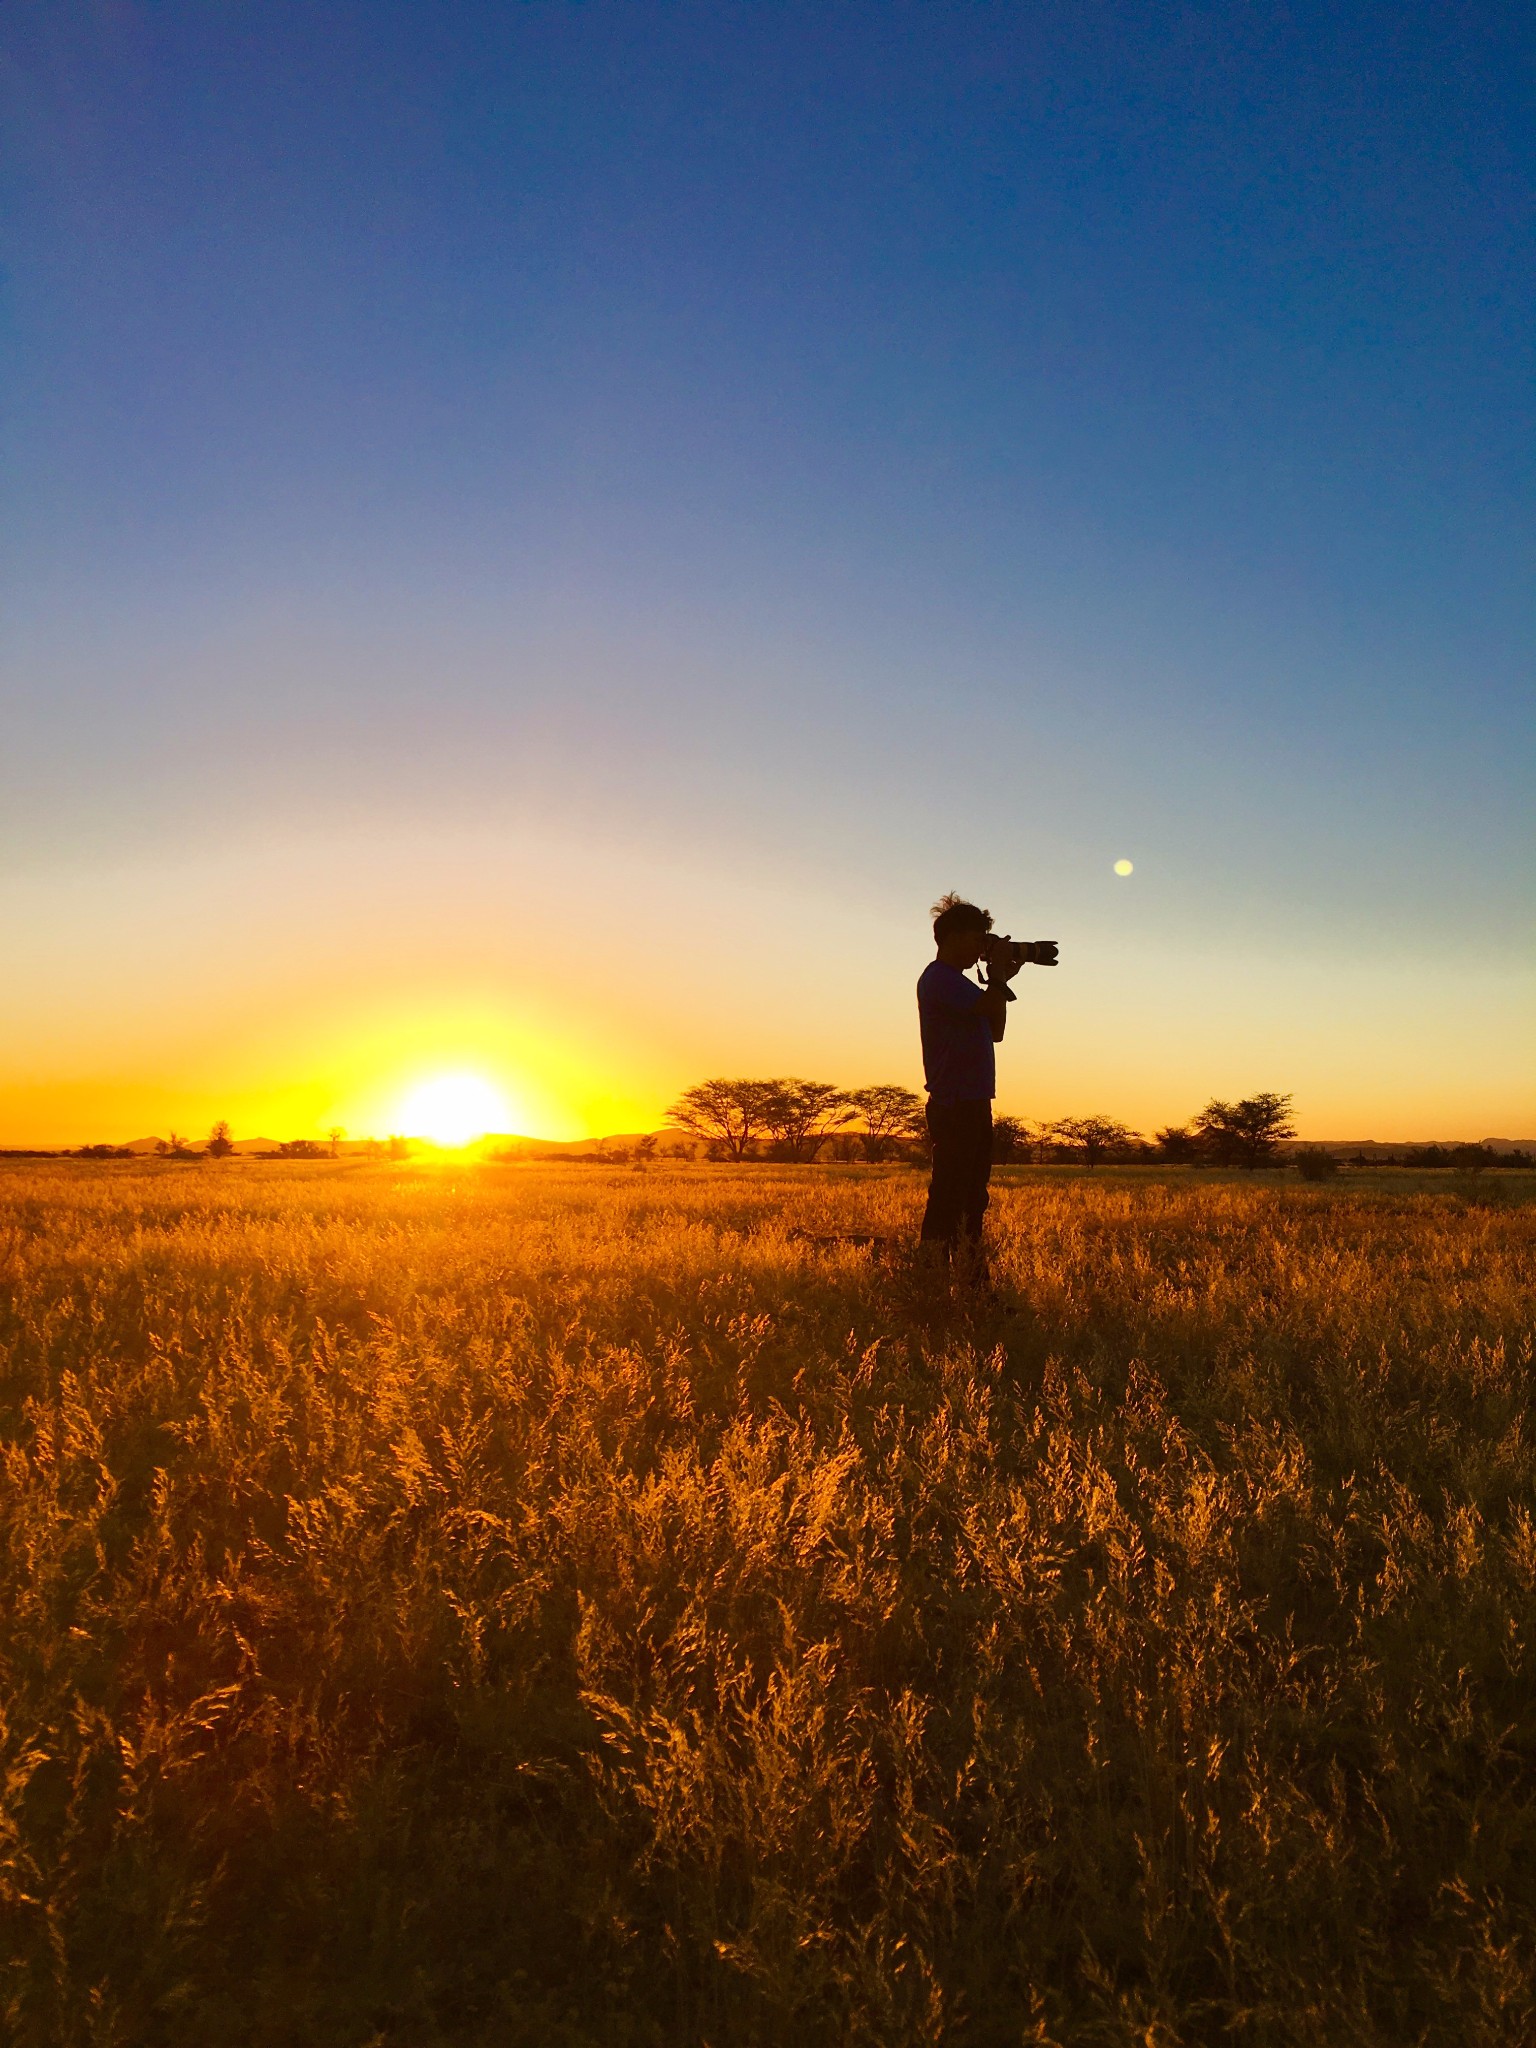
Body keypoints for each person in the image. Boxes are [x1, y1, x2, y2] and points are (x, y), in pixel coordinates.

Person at [916, 893, 1019, 1272]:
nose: (980, 948)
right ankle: (933, 1275)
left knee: (973, 1197)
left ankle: (970, 1277)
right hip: (955, 1103)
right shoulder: (939, 979)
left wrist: (999, 981)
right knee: (950, 1195)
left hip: (974, 1102)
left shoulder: (964, 987)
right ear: (952, 937)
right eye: (977, 939)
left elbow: (997, 1030)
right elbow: (988, 1009)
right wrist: (999, 977)